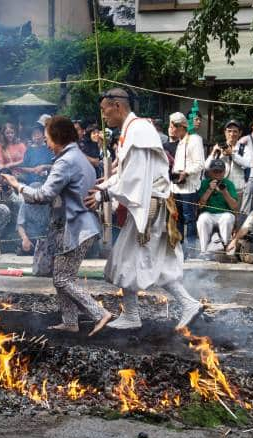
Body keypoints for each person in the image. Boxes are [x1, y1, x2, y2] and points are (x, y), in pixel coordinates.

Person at [86, 89, 202, 330]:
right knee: (148, 260)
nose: (103, 116)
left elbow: (135, 178)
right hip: (151, 206)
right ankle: (185, 304)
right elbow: (129, 173)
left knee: (126, 260)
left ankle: (134, 315)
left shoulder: (138, 130)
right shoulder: (133, 130)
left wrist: (104, 193)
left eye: (104, 110)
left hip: (149, 210)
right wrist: (106, 184)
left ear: (117, 106)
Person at [2, 116, 112, 337]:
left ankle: (99, 313)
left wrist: (18, 186)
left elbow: (44, 194)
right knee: (61, 277)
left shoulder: (66, 161)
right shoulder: (76, 157)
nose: (46, 144)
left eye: (47, 139)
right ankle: (70, 321)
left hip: (77, 228)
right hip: (78, 227)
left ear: (58, 137)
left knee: (63, 278)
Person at [169, 111, 205, 258]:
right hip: (176, 186)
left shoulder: (195, 139)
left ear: (181, 127)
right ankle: (179, 248)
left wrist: (186, 173)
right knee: (177, 218)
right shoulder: (180, 141)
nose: (171, 129)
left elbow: (199, 164)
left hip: (189, 187)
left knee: (190, 219)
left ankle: (190, 249)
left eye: (173, 126)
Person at [196, 159, 238, 255]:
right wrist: (210, 189)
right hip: (209, 214)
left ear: (224, 172)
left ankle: (225, 247)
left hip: (225, 214)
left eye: (220, 171)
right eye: (215, 171)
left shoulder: (229, 184)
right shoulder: (204, 183)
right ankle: (204, 250)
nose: (218, 174)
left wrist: (225, 192)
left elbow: (235, 207)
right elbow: (200, 205)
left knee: (227, 218)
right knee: (203, 218)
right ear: (210, 172)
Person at [205, 119, 245, 208]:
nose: (232, 134)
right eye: (229, 131)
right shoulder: (220, 147)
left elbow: (246, 164)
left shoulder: (244, 148)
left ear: (240, 133)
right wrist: (214, 152)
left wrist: (232, 154)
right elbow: (207, 167)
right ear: (225, 132)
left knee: (236, 217)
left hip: (238, 189)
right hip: (221, 188)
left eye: (235, 131)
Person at [15, 181, 49, 255]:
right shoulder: (25, 204)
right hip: (29, 237)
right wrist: (25, 239)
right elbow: (20, 225)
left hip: (44, 237)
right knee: (21, 246)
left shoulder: (48, 204)